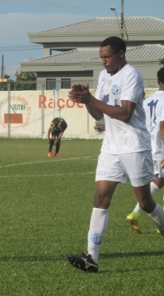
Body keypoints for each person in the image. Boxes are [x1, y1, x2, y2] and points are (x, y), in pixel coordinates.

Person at [66, 36, 164, 273]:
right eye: (101, 57)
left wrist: (92, 99)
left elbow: (125, 114)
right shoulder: (103, 77)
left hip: (134, 146)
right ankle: (92, 258)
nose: (104, 62)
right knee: (101, 196)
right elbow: (99, 116)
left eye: (107, 56)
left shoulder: (132, 75)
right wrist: (86, 100)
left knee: (145, 202)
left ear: (121, 53)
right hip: (111, 147)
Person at [126, 67, 164, 234]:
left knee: (160, 181)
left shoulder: (148, 100)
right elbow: (163, 127)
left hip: (147, 146)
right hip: (160, 148)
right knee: (158, 182)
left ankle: (155, 219)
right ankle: (137, 212)